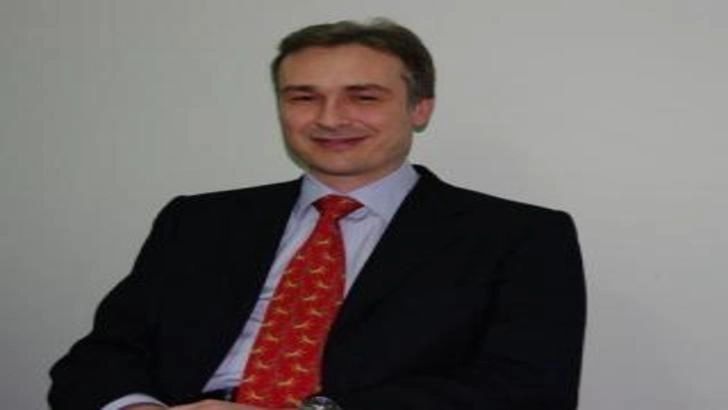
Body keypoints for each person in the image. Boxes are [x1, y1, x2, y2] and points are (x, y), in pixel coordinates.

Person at [49, 18, 586, 410]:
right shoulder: (199, 222)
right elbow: (99, 358)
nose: (330, 118)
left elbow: (529, 390)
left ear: (420, 107)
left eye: (363, 97)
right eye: (303, 97)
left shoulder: (518, 236)